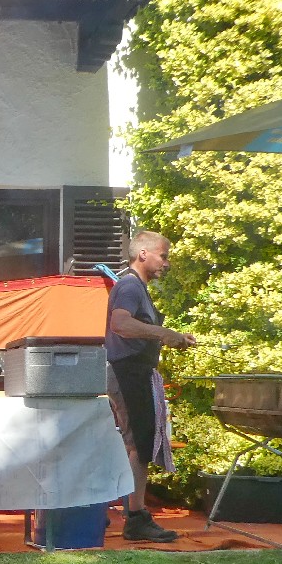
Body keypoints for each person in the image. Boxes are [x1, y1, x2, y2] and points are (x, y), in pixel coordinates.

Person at [105, 230, 195, 544]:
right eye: (163, 256)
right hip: (128, 373)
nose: (166, 263)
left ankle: (135, 515)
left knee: (139, 445)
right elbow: (120, 324)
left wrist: (174, 337)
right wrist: (162, 333)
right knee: (139, 446)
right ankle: (136, 519)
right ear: (143, 253)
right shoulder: (129, 285)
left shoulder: (136, 287)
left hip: (136, 373)